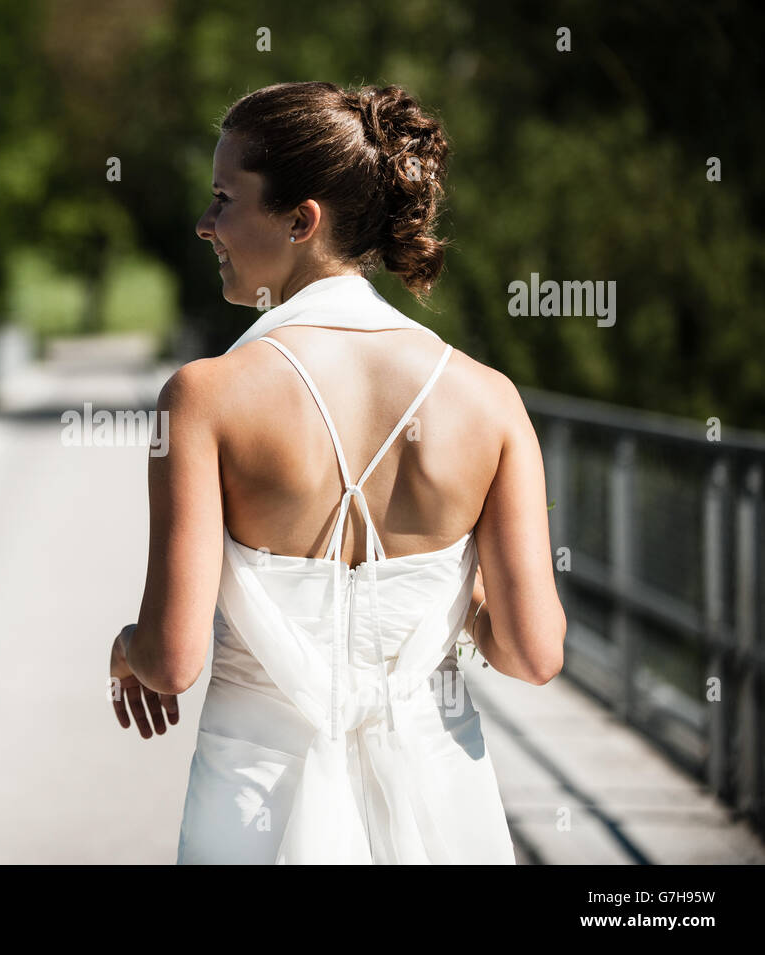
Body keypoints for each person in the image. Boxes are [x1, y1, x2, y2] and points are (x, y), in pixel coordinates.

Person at [108, 82, 566, 864]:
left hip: (253, 803)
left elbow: (171, 658)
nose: (204, 222)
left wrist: (127, 647)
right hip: (441, 806)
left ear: (301, 220)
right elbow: (533, 652)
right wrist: (458, 600)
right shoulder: (489, 400)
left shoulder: (205, 397)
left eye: (223, 198)